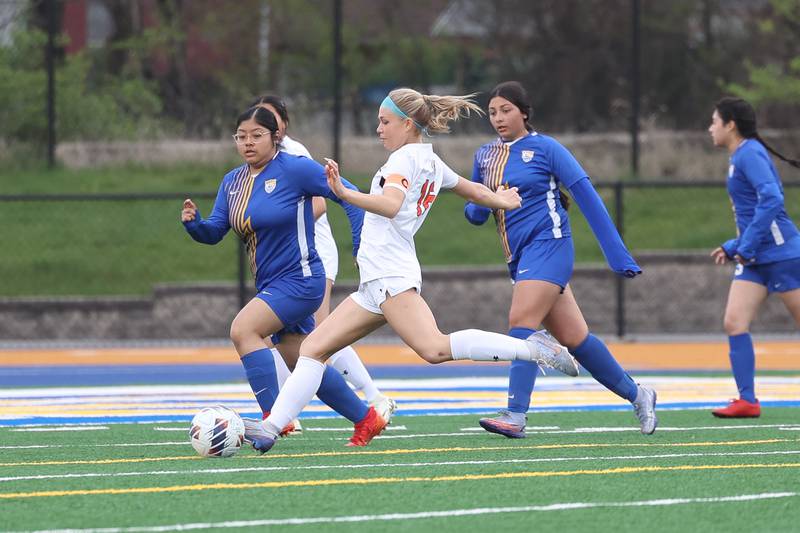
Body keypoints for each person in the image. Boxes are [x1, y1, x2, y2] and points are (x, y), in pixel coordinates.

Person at [245, 87, 581, 453]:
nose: (378, 128)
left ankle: (532, 347)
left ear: (407, 124)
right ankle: (270, 427)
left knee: (434, 348)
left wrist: (342, 191)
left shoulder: (404, 160)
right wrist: (501, 198)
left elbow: (390, 205)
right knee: (312, 349)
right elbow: (469, 189)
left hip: (391, 276)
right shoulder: (427, 159)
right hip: (376, 281)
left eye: (385, 121)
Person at [465, 81, 657, 438]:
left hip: (550, 246)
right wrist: (486, 199)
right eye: (493, 112)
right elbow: (474, 214)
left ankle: (515, 414)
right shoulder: (484, 156)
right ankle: (639, 394)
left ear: (524, 112)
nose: (499, 118)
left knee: (521, 321)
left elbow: (586, 195)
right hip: (520, 259)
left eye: (506, 110)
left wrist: (618, 255)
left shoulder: (546, 148)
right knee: (576, 339)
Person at [181, 106, 381, 446]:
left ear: (276, 137)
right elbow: (216, 230)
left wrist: (361, 243)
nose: (247, 142)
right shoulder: (232, 182)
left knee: (243, 329)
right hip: (273, 284)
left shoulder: (295, 169)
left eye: (256, 135)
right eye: (241, 136)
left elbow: (346, 194)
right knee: (303, 358)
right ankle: (366, 418)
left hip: (302, 280)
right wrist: (194, 225)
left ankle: (273, 419)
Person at [250, 95, 397, 425]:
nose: (260, 131)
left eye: (269, 122)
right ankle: (363, 408)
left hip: (311, 255)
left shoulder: (293, 155)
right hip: (283, 262)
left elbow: (318, 205)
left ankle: (368, 401)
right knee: (303, 342)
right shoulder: (257, 162)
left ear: (282, 126)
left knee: (319, 338)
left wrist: (275, 215)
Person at [708, 96, 800, 418]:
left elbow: (773, 199)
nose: (711, 128)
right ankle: (747, 400)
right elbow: (752, 213)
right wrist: (736, 245)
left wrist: (744, 247)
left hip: (782, 255)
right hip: (755, 257)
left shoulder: (749, 154)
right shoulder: (739, 156)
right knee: (734, 322)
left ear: (730, 124)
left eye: (715, 122)